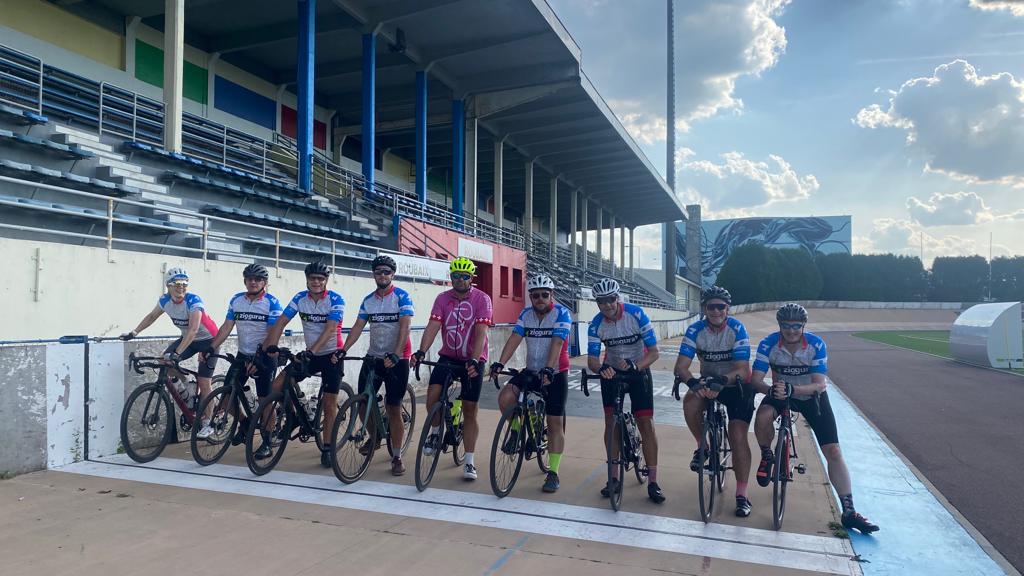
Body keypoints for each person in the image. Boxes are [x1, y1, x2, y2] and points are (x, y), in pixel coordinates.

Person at [751, 303, 879, 534]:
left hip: (811, 396)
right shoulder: (768, 343)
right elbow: (756, 379)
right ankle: (767, 455)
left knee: (834, 451)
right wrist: (770, 391)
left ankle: (849, 511)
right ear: (780, 325)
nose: (791, 331)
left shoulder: (816, 344)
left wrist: (794, 390)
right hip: (781, 393)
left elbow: (820, 384)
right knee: (761, 417)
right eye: (786, 326)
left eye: (796, 326)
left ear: (803, 326)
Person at [674, 285, 755, 517]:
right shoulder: (695, 330)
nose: (716, 311)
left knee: (738, 436)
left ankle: (741, 494)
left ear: (727, 308)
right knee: (690, 402)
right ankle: (703, 445)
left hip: (735, 384)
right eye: (712, 306)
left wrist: (721, 380)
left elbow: (742, 369)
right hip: (708, 383)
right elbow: (681, 366)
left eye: (721, 306)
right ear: (704, 309)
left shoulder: (737, 329)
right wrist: (692, 383)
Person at [410, 256, 492, 481]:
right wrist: (420, 351)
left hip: (472, 360)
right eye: (455, 276)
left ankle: (469, 461)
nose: (459, 280)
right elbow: (434, 326)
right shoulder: (442, 298)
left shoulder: (482, 299)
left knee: (470, 410)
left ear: (471, 278)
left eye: (464, 277)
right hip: (447, 356)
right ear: (451, 277)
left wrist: (475, 360)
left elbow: (481, 333)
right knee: (432, 398)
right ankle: (436, 434)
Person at [490, 274, 572, 493]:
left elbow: (557, 343)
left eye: (545, 295)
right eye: (535, 296)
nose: (540, 299)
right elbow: (515, 339)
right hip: (531, 370)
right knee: (506, 397)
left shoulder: (562, 313)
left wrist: (548, 368)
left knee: (554, 422)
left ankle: (553, 473)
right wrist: (499, 362)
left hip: (555, 372)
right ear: (530, 298)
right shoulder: (526, 314)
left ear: (551, 295)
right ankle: (516, 431)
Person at [586, 277, 665, 504]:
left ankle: (653, 481)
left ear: (617, 298)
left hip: (639, 370)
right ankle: (613, 478)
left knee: (646, 424)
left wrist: (636, 366)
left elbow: (654, 352)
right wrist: (601, 368)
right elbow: (592, 359)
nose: (607, 305)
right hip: (612, 372)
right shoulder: (596, 324)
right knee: (611, 422)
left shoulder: (636, 314)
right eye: (602, 302)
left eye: (611, 300)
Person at [264, 261, 345, 467]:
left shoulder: (336, 299)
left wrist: (311, 352)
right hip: (311, 354)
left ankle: (327, 448)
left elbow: (329, 330)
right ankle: (293, 417)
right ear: (307, 280)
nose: (316, 282)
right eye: (312, 278)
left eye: (320, 278)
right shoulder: (300, 298)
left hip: (331, 354)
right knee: (277, 385)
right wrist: (271, 347)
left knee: (328, 404)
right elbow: (281, 322)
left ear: (326, 280)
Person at [339, 255, 414, 476]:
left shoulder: (402, 297)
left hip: (398, 358)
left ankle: (397, 456)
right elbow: (358, 326)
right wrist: (343, 350)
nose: (382, 275)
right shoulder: (368, 300)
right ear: (374, 274)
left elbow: (405, 327)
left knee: (393, 407)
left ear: (393, 275)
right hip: (374, 357)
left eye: (386, 272)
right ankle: (375, 437)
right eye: (378, 272)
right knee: (362, 403)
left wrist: (397, 354)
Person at [120, 267, 219, 418]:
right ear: (168, 285)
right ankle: (187, 383)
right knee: (164, 360)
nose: (181, 287)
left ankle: (208, 422)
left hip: (209, 341)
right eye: (177, 283)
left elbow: (193, 329)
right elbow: (152, 316)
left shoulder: (193, 301)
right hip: (189, 339)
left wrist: (177, 353)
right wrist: (134, 332)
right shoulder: (165, 300)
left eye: (185, 283)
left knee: (204, 382)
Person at [199, 263, 282, 442]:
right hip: (243, 355)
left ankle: (267, 440)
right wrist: (211, 347)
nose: (253, 282)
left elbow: (273, 333)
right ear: (245, 281)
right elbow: (227, 326)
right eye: (250, 279)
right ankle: (244, 423)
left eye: (258, 279)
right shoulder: (237, 300)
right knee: (227, 395)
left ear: (264, 283)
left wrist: (259, 358)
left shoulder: (272, 303)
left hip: (265, 356)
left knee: (264, 400)